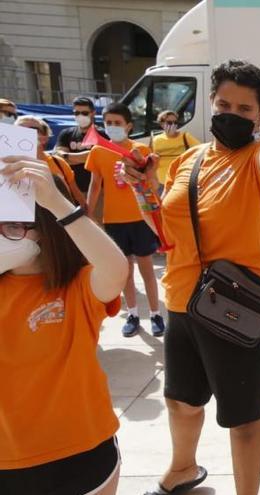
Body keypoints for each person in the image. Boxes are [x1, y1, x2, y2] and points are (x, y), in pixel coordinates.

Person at [117, 59, 260, 495]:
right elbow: (163, 230)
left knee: (243, 418)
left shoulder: (259, 162)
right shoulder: (188, 160)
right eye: (224, 103)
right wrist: (142, 187)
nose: (232, 113)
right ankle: (182, 469)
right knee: (180, 400)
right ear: (211, 102)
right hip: (181, 300)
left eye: (245, 109)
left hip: (237, 306)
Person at [0, 158, 129, 495]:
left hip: (82, 454)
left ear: (47, 229)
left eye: (12, 225)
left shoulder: (77, 286)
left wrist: (58, 203)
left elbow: (115, 270)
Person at [85, 102, 164, 338]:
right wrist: (88, 214)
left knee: (147, 269)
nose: (112, 127)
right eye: (108, 123)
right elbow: (95, 184)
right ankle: (132, 314)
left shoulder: (139, 150)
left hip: (140, 218)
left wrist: (148, 178)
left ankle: (155, 313)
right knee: (125, 272)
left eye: (117, 123)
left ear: (129, 125)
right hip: (114, 220)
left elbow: (154, 184)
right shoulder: (98, 151)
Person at [15, 115, 87, 207]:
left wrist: (87, 215)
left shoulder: (59, 163)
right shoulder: (6, 164)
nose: (25, 133)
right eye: (19, 129)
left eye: (32, 129)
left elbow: (77, 196)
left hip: (59, 218)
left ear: (45, 138)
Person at [55, 96, 108, 195]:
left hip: (98, 191)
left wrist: (67, 156)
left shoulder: (102, 134)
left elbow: (96, 158)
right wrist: (84, 157)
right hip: (73, 191)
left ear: (93, 113)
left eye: (84, 113)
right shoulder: (66, 134)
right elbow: (59, 159)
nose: (80, 116)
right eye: (76, 113)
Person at [150, 110, 201, 193]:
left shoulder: (185, 136)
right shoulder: (156, 140)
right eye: (170, 122)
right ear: (162, 124)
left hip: (181, 181)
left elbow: (200, 150)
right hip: (162, 183)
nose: (173, 125)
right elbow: (151, 161)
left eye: (175, 122)